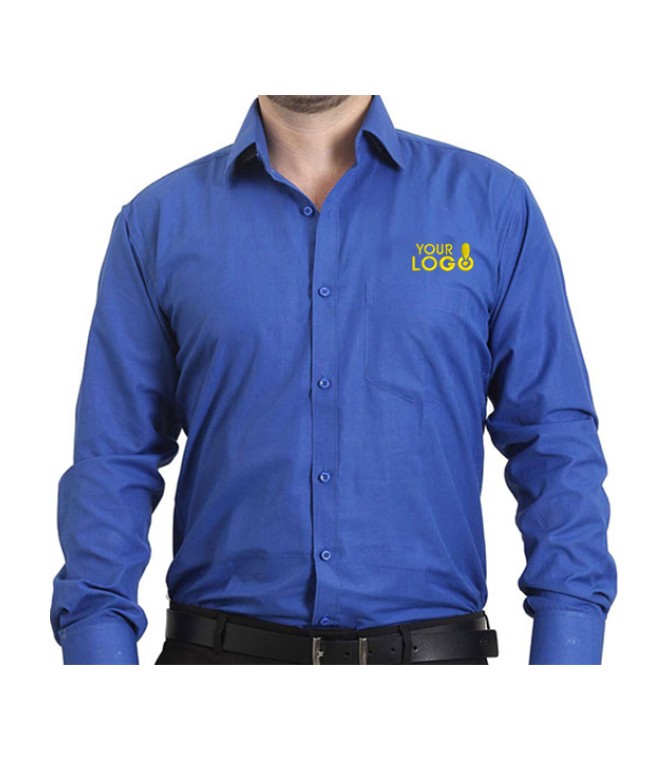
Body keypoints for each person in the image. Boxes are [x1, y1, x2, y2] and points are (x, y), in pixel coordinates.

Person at [50, 94, 617, 665]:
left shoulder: (490, 205)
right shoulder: (157, 222)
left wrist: (566, 663)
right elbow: (112, 461)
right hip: (215, 663)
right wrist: (99, 659)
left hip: (435, 668)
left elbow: (553, 441)